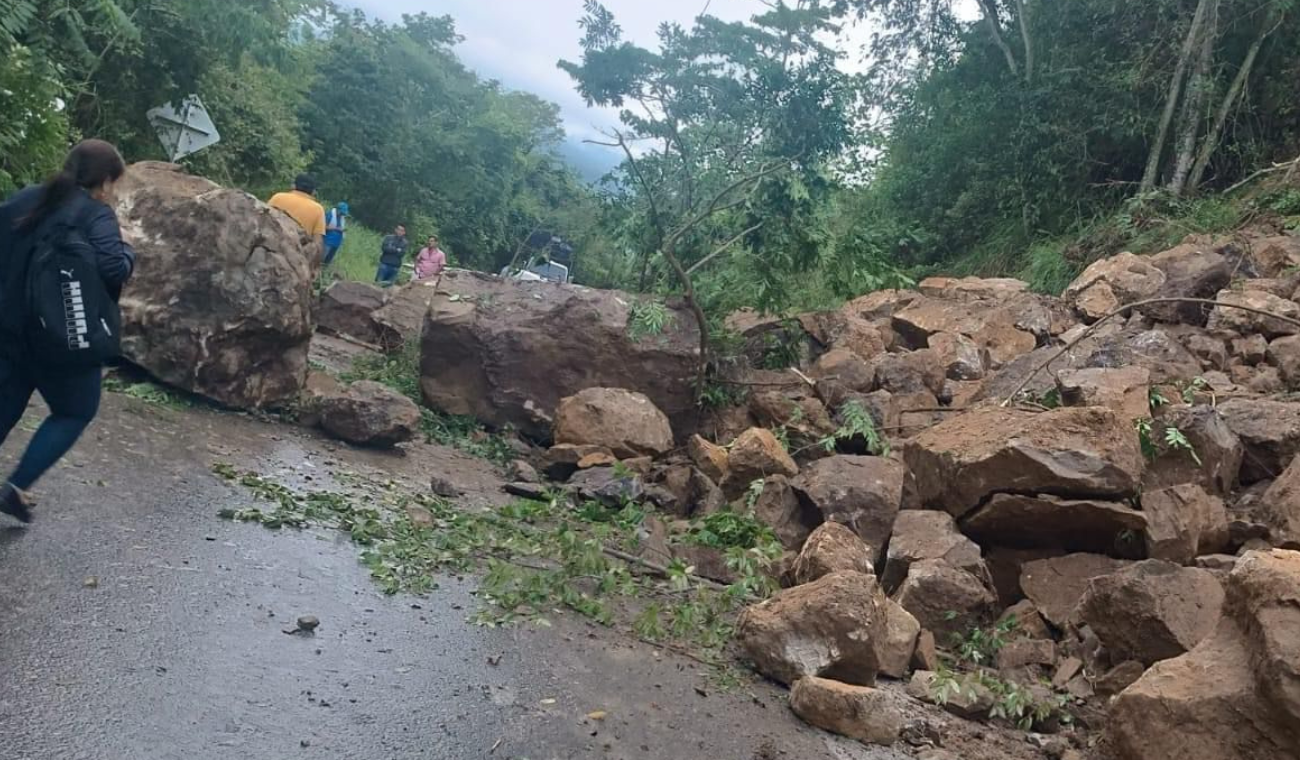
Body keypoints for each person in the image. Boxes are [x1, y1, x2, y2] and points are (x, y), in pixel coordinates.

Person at [0, 139, 136, 524]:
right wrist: (129, 251)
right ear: (106, 181)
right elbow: (114, 269)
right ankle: (17, 486)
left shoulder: (28, 198)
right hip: (64, 338)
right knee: (75, 410)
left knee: (6, 403)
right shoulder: (96, 215)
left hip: (10, 329)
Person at [268, 174, 326, 242]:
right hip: (294, 250)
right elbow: (317, 240)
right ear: (313, 191)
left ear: (293, 185)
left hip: (269, 243)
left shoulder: (277, 197)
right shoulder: (318, 209)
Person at [323, 201, 348, 266]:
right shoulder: (330, 215)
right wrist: (336, 228)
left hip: (336, 243)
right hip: (328, 241)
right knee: (322, 259)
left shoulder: (342, 218)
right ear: (337, 209)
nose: (342, 214)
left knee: (328, 261)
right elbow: (324, 226)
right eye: (341, 212)